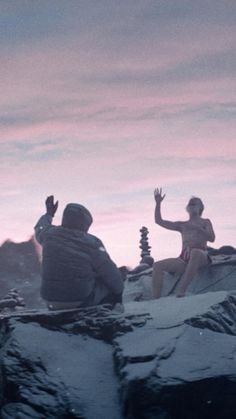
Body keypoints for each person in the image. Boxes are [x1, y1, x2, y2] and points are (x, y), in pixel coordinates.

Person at [34, 196, 124, 310]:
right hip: (79, 301)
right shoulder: (92, 242)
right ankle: (113, 311)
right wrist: (118, 293)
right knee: (107, 281)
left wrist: (49, 214)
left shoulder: (49, 235)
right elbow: (110, 272)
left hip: (51, 301)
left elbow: (39, 228)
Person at [152, 187, 216, 298]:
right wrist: (158, 203)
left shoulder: (205, 222)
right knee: (157, 265)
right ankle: (155, 298)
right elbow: (159, 221)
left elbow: (211, 238)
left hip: (201, 255)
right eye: (190, 203)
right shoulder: (183, 225)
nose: (192, 205)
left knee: (195, 252)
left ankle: (181, 290)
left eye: (195, 204)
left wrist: (198, 228)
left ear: (200, 207)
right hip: (184, 258)